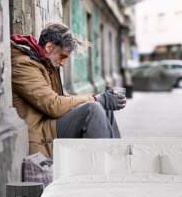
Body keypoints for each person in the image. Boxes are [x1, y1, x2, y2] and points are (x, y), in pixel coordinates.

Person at [11, 23, 126, 157]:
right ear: (49, 47)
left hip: (50, 124)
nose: (63, 63)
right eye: (63, 56)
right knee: (93, 109)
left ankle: (117, 160)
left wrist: (100, 98)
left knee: (103, 106)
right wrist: (95, 99)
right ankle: (103, 168)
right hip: (41, 134)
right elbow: (53, 105)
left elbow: (63, 98)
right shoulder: (23, 65)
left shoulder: (43, 63)